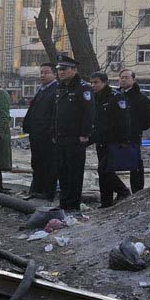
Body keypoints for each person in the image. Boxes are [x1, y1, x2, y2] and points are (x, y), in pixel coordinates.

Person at [52, 55, 94, 212]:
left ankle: (73, 203)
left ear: (74, 70)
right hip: (61, 136)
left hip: (75, 137)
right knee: (62, 171)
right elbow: (56, 113)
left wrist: (85, 133)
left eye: (64, 69)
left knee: (74, 171)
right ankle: (64, 202)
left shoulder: (83, 88)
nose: (61, 72)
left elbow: (88, 113)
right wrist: (54, 132)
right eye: (59, 69)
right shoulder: (61, 87)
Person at [89, 72, 132, 208]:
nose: (93, 85)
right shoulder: (94, 97)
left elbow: (123, 120)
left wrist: (124, 140)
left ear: (105, 82)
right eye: (91, 82)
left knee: (104, 169)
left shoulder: (116, 96)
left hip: (114, 140)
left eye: (96, 82)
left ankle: (123, 191)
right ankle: (105, 202)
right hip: (101, 139)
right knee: (104, 172)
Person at [23, 63, 59, 200]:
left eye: (46, 72)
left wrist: (52, 132)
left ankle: (48, 191)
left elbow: (54, 114)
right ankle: (37, 189)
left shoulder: (56, 90)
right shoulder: (42, 89)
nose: (42, 75)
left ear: (54, 74)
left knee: (48, 163)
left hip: (47, 134)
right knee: (37, 162)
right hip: (36, 133)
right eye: (41, 72)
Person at [117, 69, 150, 192]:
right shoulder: (115, 95)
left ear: (133, 80)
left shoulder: (141, 98)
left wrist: (137, 128)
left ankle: (137, 191)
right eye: (121, 77)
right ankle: (121, 191)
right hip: (114, 135)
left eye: (126, 77)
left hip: (133, 135)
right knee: (108, 165)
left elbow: (148, 118)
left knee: (135, 165)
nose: (123, 80)